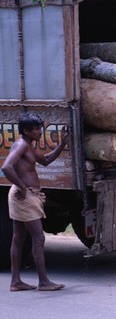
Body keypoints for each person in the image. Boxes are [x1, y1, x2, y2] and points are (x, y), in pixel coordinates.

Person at [2, 112, 69, 292]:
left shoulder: (29, 146)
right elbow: (6, 167)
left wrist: (62, 144)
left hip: (26, 195)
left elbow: (46, 160)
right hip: (25, 196)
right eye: (36, 129)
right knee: (38, 238)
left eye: (40, 128)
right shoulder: (21, 145)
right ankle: (44, 281)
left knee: (19, 238)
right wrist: (23, 188)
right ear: (26, 130)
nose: (40, 132)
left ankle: (16, 281)